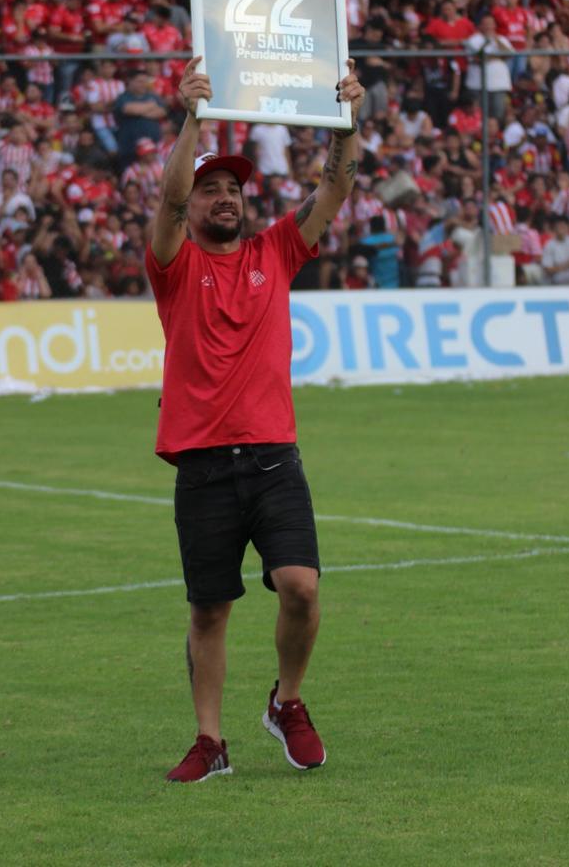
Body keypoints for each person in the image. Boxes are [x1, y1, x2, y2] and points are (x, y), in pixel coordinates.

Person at [145, 57, 365, 783]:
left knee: (300, 587)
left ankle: (286, 703)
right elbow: (169, 204)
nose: (225, 199)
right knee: (210, 611)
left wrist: (345, 120)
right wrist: (192, 120)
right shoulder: (173, 265)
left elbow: (336, 187)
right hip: (204, 463)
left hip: (274, 458)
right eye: (212, 189)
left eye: (234, 188)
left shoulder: (275, 248)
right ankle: (210, 743)